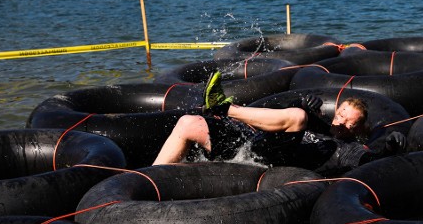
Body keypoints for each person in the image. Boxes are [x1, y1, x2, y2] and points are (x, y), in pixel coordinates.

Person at [153, 72, 406, 176]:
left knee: (297, 117)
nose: (341, 124)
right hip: (253, 145)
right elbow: (275, 113)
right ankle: (148, 179)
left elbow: (369, 164)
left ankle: (225, 107)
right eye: (340, 115)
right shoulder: (317, 119)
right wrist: (301, 99)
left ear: (359, 130)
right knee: (189, 122)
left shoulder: (347, 150)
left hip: (277, 161)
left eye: (349, 124)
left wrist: (389, 150)